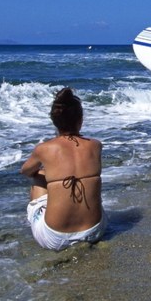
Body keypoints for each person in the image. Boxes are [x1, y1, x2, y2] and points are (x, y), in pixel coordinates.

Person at [20, 87, 107, 250]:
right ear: (80, 120)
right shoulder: (96, 145)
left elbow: (25, 171)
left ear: (54, 121)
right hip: (95, 231)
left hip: (55, 238)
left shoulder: (44, 149)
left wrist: (45, 172)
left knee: (38, 176)